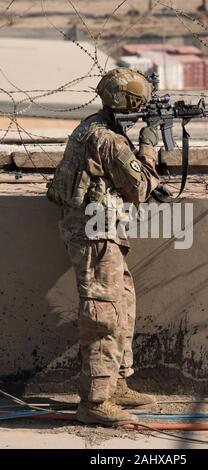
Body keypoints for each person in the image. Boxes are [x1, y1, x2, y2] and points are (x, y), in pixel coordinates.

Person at [47, 68, 161, 426]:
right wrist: (148, 144)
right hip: (95, 236)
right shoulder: (111, 141)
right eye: (140, 102)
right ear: (128, 103)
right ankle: (95, 401)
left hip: (101, 231)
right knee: (103, 314)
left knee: (123, 302)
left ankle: (116, 384)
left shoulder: (95, 125)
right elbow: (140, 187)